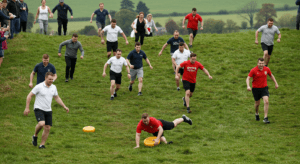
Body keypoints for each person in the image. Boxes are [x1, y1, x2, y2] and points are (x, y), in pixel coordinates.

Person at [24, 72, 69, 149]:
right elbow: (29, 96)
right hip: (39, 108)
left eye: (52, 79)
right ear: (45, 78)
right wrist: (27, 107)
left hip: (48, 109)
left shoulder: (53, 87)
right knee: (42, 124)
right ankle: (35, 135)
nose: (51, 80)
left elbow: (57, 97)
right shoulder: (39, 86)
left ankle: (42, 145)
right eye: (49, 79)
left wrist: (64, 106)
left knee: (47, 127)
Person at [246, 58, 279, 124]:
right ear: (257, 63)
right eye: (260, 63)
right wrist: (248, 86)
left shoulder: (266, 69)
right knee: (257, 104)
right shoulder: (253, 70)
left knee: (266, 101)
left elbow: (271, 75)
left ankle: (265, 118)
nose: (261, 65)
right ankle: (256, 113)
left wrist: (276, 82)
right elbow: (248, 78)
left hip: (264, 88)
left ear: (264, 63)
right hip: (256, 89)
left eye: (262, 63)